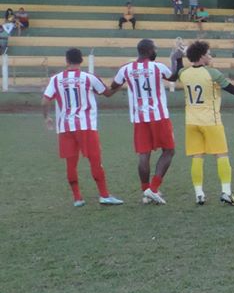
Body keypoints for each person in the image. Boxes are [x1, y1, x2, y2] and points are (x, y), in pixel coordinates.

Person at [41, 48, 124, 207]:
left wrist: (47, 118)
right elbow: (107, 93)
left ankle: (78, 198)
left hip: (65, 127)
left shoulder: (56, 79)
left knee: (71, 163)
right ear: (81, 60)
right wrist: (120, 83)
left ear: (66, 61)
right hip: (86, 126)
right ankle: (104, 195)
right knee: (95, 160)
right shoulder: (88, 78)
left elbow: (45, 101)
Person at [106, 38, 183, 204]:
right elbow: (174, 77)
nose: (155, 51)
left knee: (144, 154)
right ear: (149, 51)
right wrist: (177, 58)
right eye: (154, 49)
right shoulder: (157, 67)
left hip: (139, 117)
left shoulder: (126, 69)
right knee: (169, 151)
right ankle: (153, 189)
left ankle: (145, 190)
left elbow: (113, 85)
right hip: (159, 115)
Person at [176, 41, 234, 205]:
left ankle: (199, 194)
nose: (210, 56)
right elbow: (231, 89)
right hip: (210, 121)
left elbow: (177, 70)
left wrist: (179, 57)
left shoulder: (183, 73)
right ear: (201, 56)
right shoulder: (212, 73)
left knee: (197, 157)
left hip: (191, 122)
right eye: (208, 54)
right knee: (221, 155)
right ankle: (226, 192)